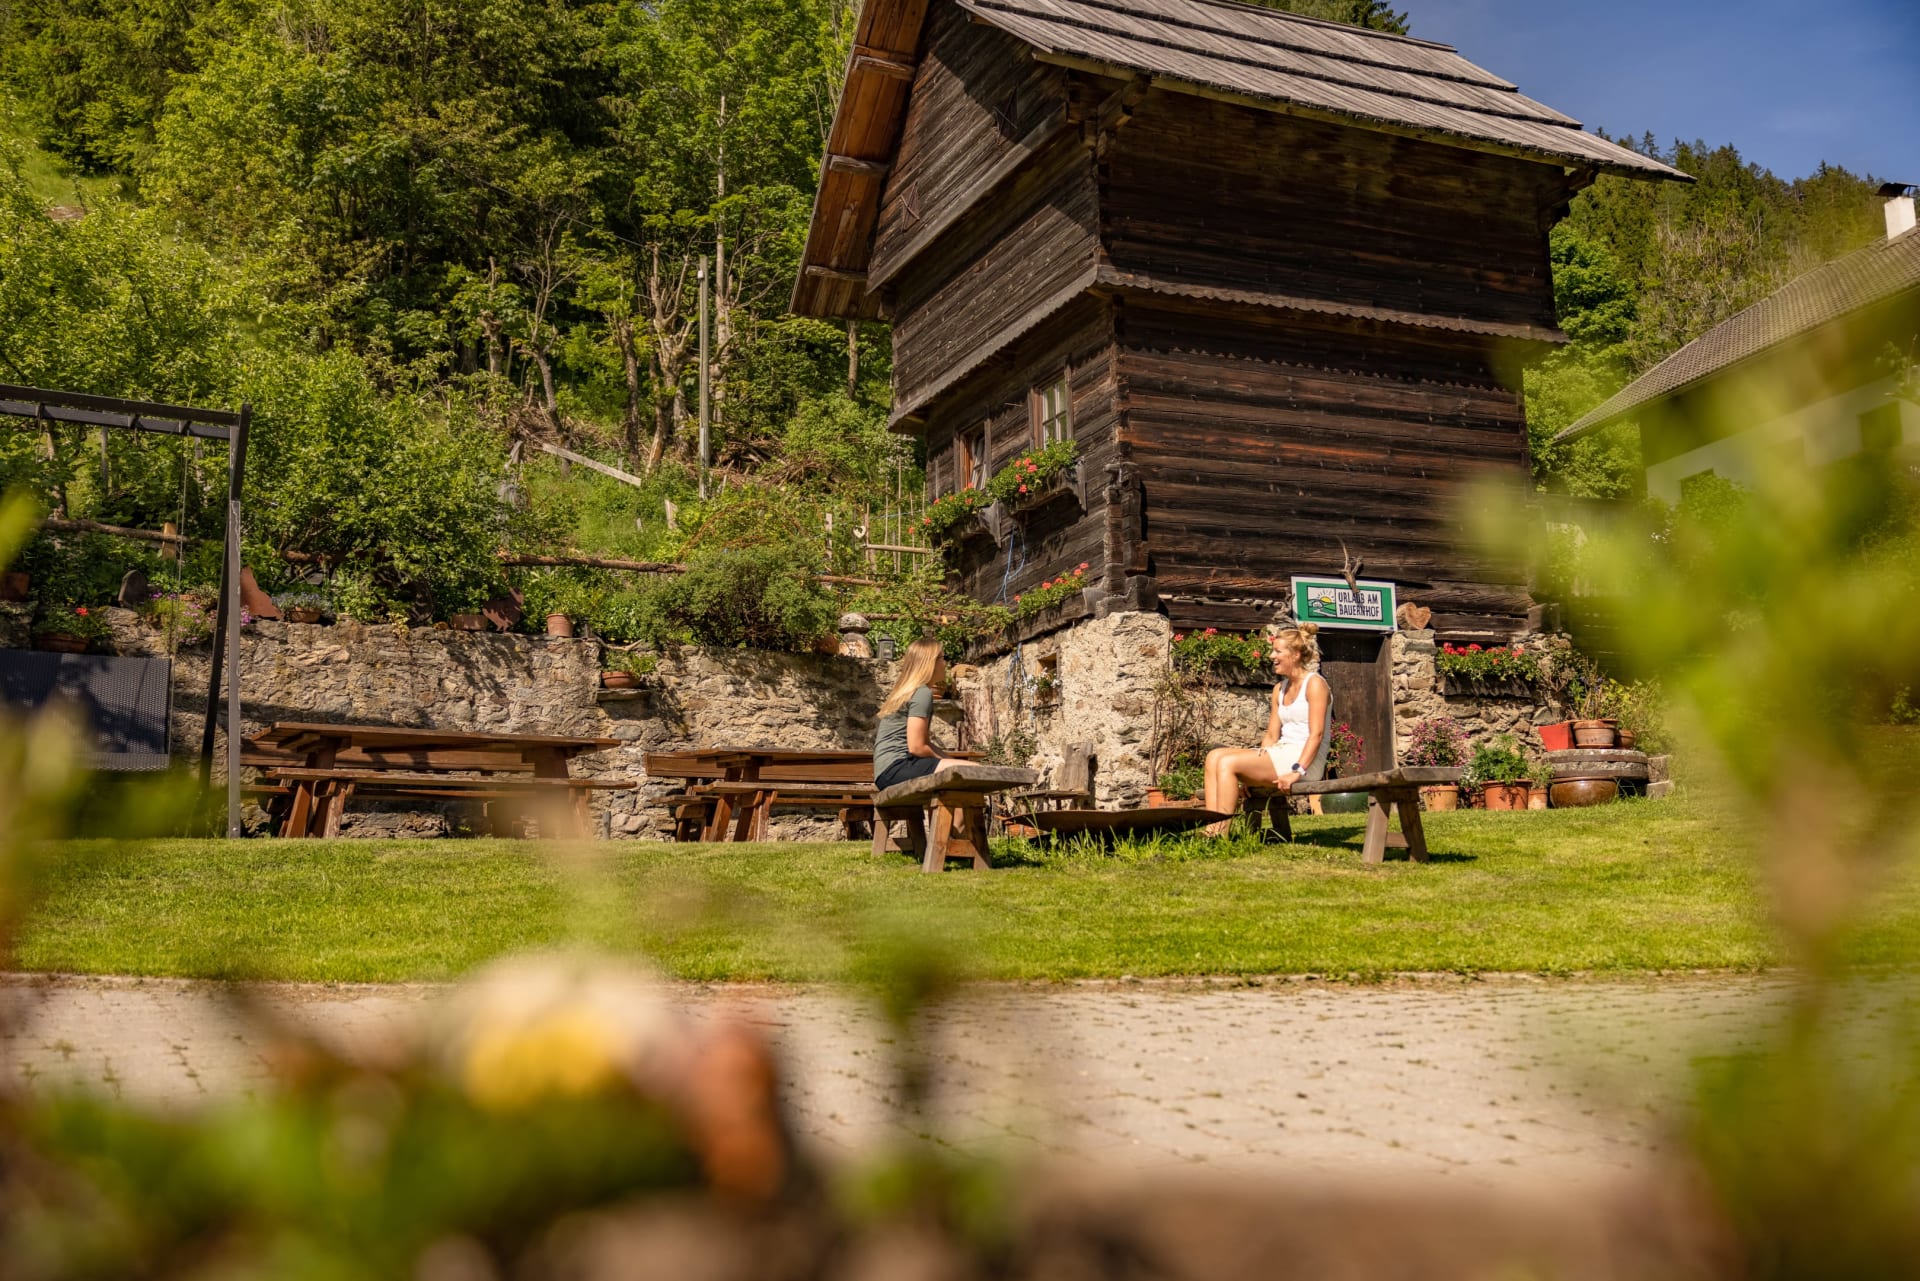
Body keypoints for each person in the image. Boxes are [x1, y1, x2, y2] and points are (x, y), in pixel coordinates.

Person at [1201, 622, 1332, 835]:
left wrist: (1297, 772)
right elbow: (1271, 735)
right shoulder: (1280, 689)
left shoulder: (1315, 684)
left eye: (1278, 651)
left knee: (1227, 762)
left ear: (1296, 654)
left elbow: (1316, 734)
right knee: (1213, 757)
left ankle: (1220, 833)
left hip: (1305, 761)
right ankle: (1210, 830)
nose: (1272, 656)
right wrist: (1251, 773)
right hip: (1282, 752)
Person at [873, 637, 964, 790]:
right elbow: (917, 747)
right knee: (973, 772)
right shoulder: (922, 693)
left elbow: (925, 744)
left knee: (967, 771)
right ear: (931, 662)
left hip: (888, 771)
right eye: (943, 658)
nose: (946, 664)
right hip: (899, 767)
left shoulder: (910, 691)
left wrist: (949, 761)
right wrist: (950, 764)